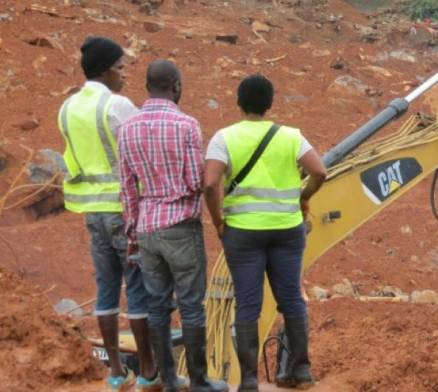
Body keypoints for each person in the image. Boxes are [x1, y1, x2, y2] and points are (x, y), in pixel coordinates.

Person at [204, 74, 327, 392]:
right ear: (270, 104)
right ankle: (301, 371)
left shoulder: (224, 138)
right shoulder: (291, 136)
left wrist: (218, 222)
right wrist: (303, 197)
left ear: (238, 102)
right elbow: (319, 171)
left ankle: (248, 380)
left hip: (243, 234)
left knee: (247, 304)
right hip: (287, 231)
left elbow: (209, 184)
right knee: (291, 299)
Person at [119, 60, 229, 392]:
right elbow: (195, 181)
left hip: (146, 228)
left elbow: (126, 188)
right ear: (176, 85)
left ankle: (167, 379)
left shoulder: (127, 128)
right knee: (191, 304)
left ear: (147, 86)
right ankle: (198, 380)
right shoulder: (187, 125)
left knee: (157, 305)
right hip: (181, 225)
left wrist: (133, 234)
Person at [57, 36, 157, 391]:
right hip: (124, 209)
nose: (124, 75)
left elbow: (73, 158)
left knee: (106, 288)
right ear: (104, 71)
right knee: (139, 287)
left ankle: (116, 371)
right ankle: (148, 370)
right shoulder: (118, 106)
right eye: (119, 68)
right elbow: (142, 152)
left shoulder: (67, 108)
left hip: (92, 211)